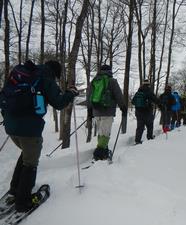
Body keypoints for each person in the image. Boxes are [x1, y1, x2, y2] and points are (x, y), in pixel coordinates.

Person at [2, 60, 79, 212]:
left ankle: (14, 190)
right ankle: (22, 202)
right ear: (55, 72)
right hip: (29, 129)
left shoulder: (24, 73)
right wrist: (71, 93)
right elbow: (58, 103)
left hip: (10, 125)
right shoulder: (46, 79)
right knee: (30, 163)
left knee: (26, 155)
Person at [88, 64, 127, 160]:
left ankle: (104, 152)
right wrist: (123, 108)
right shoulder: (112, 81)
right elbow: (118, 95)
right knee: (105, 134)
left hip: (96, 112)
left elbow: (89, 97)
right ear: (110, 71)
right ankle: (98, 155)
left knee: (101, 133)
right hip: (107, 112)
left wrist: (90, 112)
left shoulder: (94, 81)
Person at [132, 79, 160, 144]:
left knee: (140, 127)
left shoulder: (138, 92)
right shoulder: (149, 92)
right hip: (147, 112)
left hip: (138, 112)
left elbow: (133, 102)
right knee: (150, 125)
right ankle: (150, 137)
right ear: (148, 84)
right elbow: (156, 100)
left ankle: (137, 140)